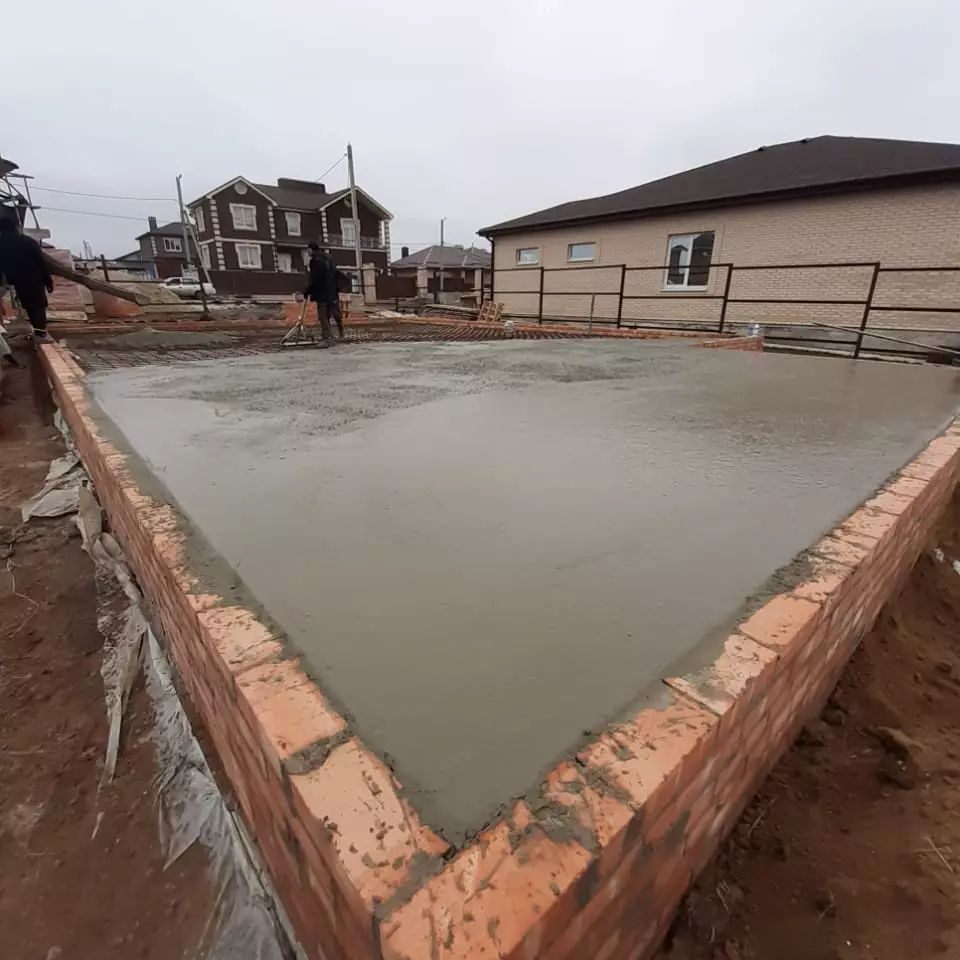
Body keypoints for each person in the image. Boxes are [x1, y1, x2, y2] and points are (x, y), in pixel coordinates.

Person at [0, 216, 53, 342]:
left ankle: (38, 331)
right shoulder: (27, 241)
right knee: (38, 306)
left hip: (16, 279)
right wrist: (48, 280)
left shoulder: (1, 243)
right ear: (16, 227)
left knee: (29, 305)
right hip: (34, 278)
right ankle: (40, 333)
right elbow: (41, 262)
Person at [304, 241, 336, 342]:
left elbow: (315, 279)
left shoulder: (315, 261)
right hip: (331, 291)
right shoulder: (327, 258)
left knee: (322, 316)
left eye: (308, 250)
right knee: (327, 316)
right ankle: (329, 337)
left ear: (311, 249)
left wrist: (307, 291)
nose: (307, 252)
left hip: (321, 292)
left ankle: (326, 339)